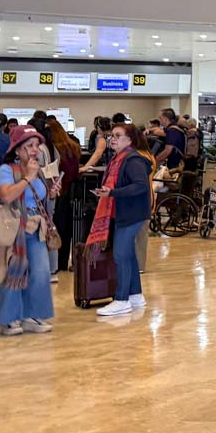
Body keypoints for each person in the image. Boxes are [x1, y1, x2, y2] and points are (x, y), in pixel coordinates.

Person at [0, 125, 56, 336]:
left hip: (35, 227)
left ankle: (31, 314)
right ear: (16, 149)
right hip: (12, 228)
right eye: (29, 146)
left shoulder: (37, 170)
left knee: (40, 272)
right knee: (12, 272)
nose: (35, 150)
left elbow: (38, 197)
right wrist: (28, 179)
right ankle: (8, 317)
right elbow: (6, 196)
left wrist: (50, 192)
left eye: (37, 145)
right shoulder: (7, 170)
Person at [84, 121, 153, 318]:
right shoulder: (120, 159)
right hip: (126, 212)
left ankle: (121, 299)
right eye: (111, 135)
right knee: (128, 255)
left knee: (121, 255)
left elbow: (140, 185)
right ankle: (135, 295)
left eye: (117, 135)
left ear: (129, 140)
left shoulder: (132, 160)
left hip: (132, 213)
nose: (112, 139)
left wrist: (113, 192)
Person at [47, 119, 82, 273]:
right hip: (71, 191)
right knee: (67, 228)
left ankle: (54, 263)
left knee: (55, 227)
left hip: (57, 190)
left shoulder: (53, 149)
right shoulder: (73, 146)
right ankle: (63, 262)